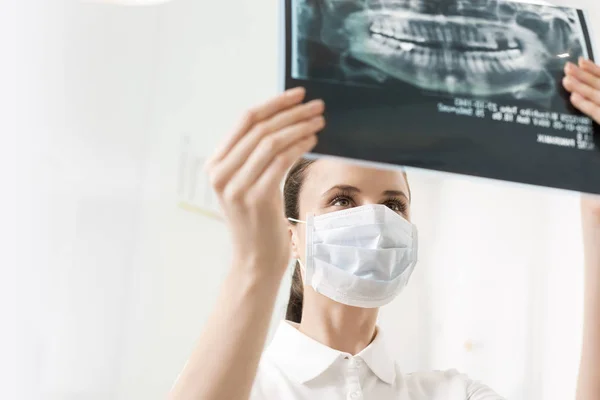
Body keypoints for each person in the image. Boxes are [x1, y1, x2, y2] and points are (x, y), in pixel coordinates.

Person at [168, 58, 600, 400]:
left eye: (394, 204)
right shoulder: (245, 389)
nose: (376, 221)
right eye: (342, 200)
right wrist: (255, 266)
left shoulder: (452, 394)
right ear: (291, 235)